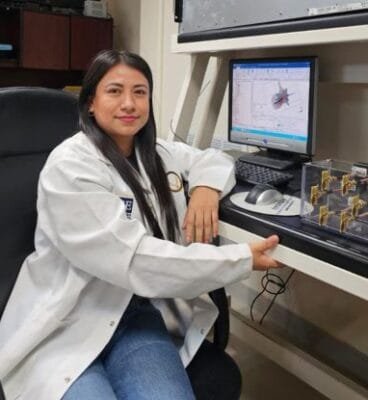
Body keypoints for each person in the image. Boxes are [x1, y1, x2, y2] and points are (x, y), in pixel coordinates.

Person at [0, 50, 281, 400]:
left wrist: (205, 190)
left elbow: (214, 158)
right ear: (90, 103)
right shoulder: (69, 167)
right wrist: (240, 259)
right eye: (114, 91)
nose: (129, 104)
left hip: (136, 317)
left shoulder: (157, 153)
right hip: (67, 321)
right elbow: (135, 259)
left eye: (140, 92)